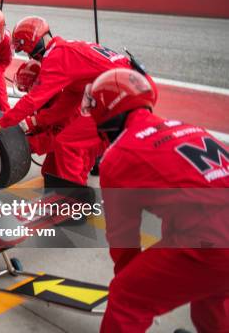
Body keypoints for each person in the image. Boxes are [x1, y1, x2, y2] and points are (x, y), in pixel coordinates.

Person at [82, 68, 229, 332]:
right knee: (213, 295)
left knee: (127, 298)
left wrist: (132, 280)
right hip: (213, 233)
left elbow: (123, 239)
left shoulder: (120, 156)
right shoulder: (187, 127)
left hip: (214, 242)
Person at [0, 16, 156, 190]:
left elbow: (32, 101)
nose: (28, 55)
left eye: (26, 50)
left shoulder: (56, 58)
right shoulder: (66, 49)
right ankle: (76, 188)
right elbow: (67, 103)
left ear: (32, 44)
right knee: (58, 163)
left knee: (67, 144)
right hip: (137, 86)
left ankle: (73, 205)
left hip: (126, 93)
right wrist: (32, 122)